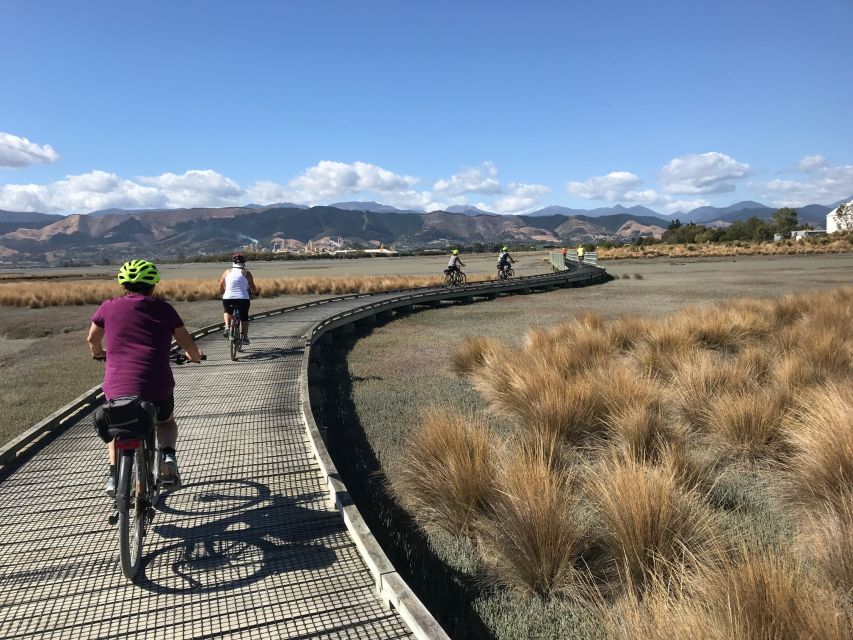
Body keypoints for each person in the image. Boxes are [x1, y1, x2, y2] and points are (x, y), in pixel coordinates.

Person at [87, 259, 203, 496]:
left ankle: (113, 476)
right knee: (166, 421)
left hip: (117, 387)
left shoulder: (108, 307)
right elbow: (187, 343)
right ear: (152, 286)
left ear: (124, 285)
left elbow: (92, 339)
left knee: (118, 426)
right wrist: (195, 357)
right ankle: (168, 456)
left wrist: (99, 354)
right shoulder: (163, 309)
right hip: (156, 386)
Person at [219, 253, 259, 344]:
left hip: (228, 298)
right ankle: (245, 337)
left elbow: (221, 284)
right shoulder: (246, 272)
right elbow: (252, 286)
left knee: (227, 311)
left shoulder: (227, 272)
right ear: (243, 263)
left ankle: (227, 327)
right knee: (244, 317)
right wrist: (255, 292)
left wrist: (222, 291)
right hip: (243, 299)